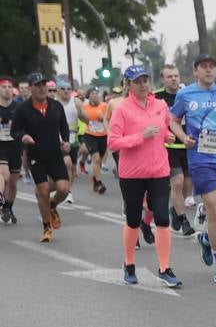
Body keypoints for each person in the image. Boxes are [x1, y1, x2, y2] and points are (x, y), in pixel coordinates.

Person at [170, 54, 216, 283]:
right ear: (195, 71)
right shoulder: (186, 94)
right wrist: (183, 137)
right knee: (214, 208)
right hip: (200, 159)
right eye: (204, 67)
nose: (209, 71)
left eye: (212, 67)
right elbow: (173, 120)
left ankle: (206, 240)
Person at [107, 66, 181, 288]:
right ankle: (129, 264)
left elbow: (164, 128)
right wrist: (140, 136)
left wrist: (167, 136)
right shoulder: (122, 109)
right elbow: (113, 142)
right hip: (132, 174)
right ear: (127, 85)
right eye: (136, 81)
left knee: (162, 218)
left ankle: (164, 268)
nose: (142, 84)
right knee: (132, 218)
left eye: (145, 80)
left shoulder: (160, 105)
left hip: (159, 170)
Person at [13, 73, 72, 243]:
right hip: (36, 155)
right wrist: (23, 136)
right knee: (43, 190)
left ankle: (52, 205)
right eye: (37, 85)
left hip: (54, 153)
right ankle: (46, 227)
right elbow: (15, 131)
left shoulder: (56, 106)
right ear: (31, 88)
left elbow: (64, 127)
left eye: (44, 84)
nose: (42, 88)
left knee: (63, 189)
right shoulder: (23, 109)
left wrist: (66, 141)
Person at [155, 64, 195, 235]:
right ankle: (183, 220)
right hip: (168, 146)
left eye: (176, 76)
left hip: (188, 144)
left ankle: (175, 209)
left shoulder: (187, 95)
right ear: (163, 79)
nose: (173, 79)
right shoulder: (156, 97)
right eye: (169, 76)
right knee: (177, 182)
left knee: (187, 184)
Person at [81, 87, 110, 194]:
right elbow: (81, 118)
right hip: (90, 135)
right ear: (88, 96)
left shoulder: (104, 106)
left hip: (103, 135)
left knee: (100, 160)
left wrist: (104, 118)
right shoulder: (85, 107)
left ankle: (94, 178)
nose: (94, 95)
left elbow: (110, 118)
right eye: (92, 93)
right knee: (96, 158)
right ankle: (98, 183)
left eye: (96, 93)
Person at [0, 78, 18, 224]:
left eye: (9, 87)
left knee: (12, 183)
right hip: (1, 146)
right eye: (4, 87)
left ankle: (8, 207)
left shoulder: (18, 108)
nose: (7, 89)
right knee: (4, 176)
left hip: (15, 146)